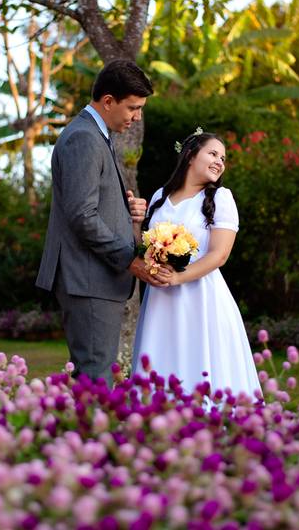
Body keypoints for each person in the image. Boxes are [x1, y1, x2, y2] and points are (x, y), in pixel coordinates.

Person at [36, 60, 171, 385]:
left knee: (96, 379)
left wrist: (125, 210)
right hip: (88, 279)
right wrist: (131, 260)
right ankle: (89, 437)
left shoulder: (95, 135)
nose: (137, 116)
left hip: (93, 280)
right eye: (133, 108)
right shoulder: (84, 138)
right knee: (96, 382)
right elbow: (82, 215)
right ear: (108, 100)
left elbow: (88, 204)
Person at [132, 130, 262, 398]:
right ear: (190, 155)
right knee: (160, 357)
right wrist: (136, 222)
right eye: (213, 153)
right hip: (160, 298)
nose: (220, 162)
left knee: (199, 359)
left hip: (201, 297)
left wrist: (178, 277)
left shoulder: (220, 198)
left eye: (223, 158)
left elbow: (219, 254)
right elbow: (144, 248)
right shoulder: (160, 196)